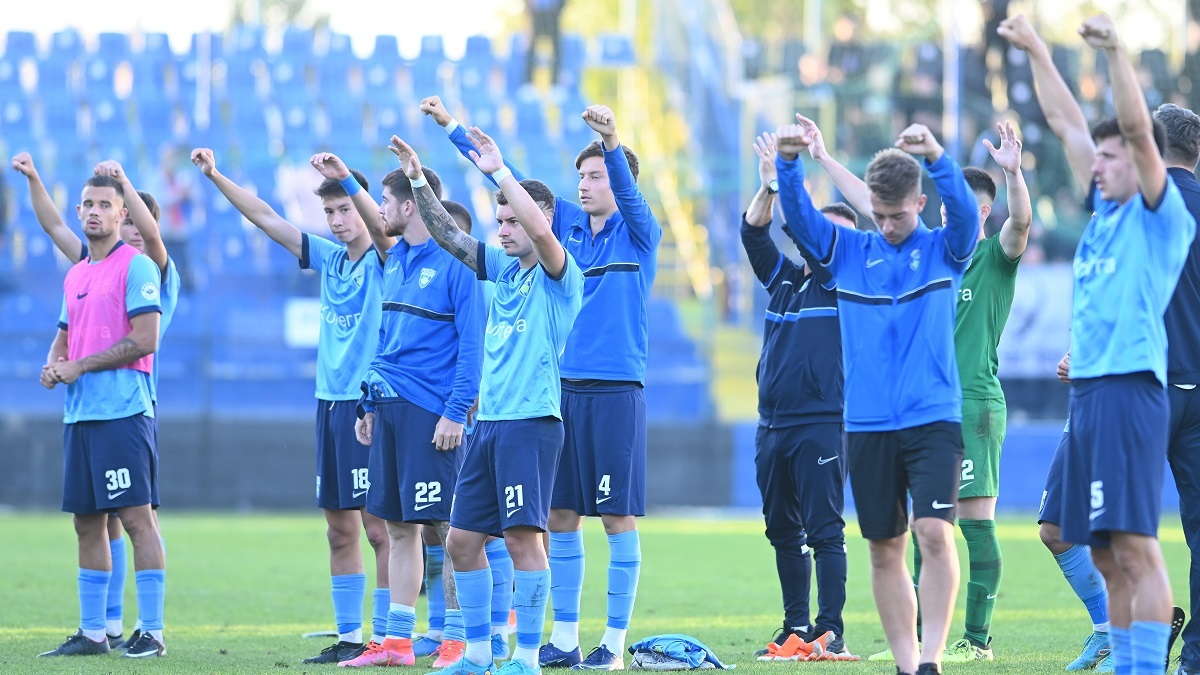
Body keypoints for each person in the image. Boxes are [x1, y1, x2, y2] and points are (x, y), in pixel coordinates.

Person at [419, 95, 661, 671]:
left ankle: (614, 643)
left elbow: (618, 195)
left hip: (615, 389)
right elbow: (521, 210)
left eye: (596, 175)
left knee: (617, 518)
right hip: (558, 390)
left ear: (620, 178)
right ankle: (565, 637)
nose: (585, 185)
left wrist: (610, 142)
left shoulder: (639, 231)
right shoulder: (564, 227)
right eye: (580, 176)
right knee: (558, 519)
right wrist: (455, 133)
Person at [1001, 13, 1198, 673]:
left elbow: (1137, 130)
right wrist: (1035, 49)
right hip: (1090, 391)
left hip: (1130, 391)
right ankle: (1125, 662)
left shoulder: (1159, 215)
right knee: (1106, 550)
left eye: (1113, 156)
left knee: (1136, 546)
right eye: (1101, 155)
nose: (1100, 162)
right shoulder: (1108, 211)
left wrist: (1115, 54)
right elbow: (1064, 124)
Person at [797, 116, 1033, 661]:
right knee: (924, 529)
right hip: (901, 408)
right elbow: (878, 204)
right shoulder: (912, 250)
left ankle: (975, 640)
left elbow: (1020, 223)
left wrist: (1014, 174)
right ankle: (928, 644)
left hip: (968, 404)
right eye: (949, 209)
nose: (954, 217)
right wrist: (825, 158)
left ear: (981, 217)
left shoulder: (989, 257)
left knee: (967, 525)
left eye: (965, 212)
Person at [775, 118, 980, 675]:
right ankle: (907, 665)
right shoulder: (848, 251)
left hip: (934, 416)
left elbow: (964, 213)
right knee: (884, 548)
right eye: (881, 216)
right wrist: (789, 163)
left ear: (919, 201)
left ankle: (933, 657)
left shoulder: (944, 249)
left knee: (934, 532)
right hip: (866, 424)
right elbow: (798, 218)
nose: (889, 227)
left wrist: (938, 157)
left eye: (900, 215)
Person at [389, 128, 583, 675]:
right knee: (461, 542)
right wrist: (416, 179)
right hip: (490, 426)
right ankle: (476, 654)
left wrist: (500, 171)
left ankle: (525, 658)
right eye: (499, 221)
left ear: (539, 222)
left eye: (512, 221)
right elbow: (450, 235)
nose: (502, 230)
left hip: (530, 424)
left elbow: (543, 231)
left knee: (524, 540)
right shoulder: (499, 269)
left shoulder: (560, 276)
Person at [191, 148, 391, 665]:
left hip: (371, 406)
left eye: (345, 209)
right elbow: (265, 217)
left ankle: (391, 637)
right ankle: (350, 637)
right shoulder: (328, 258)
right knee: (338, 526)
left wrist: (347, 181)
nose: (338, 220)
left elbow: (384, 232)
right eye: (329, 213)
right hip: (329, 405)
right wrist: (215, 176)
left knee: (379, 528)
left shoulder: (389, 258)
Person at [308, 150, 484, 670]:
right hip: (387, 408)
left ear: (409, 207)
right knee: (401, 528)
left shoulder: (457, 262)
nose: (374, 211)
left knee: (452, 529)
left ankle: (458, 639)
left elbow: (472, 347)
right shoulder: (399, 259)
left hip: (433, 414)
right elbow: (385, 341)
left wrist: (455, 411)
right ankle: (399, 644)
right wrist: (367, 401)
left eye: (383, 201)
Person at [13, 153, 181, 651]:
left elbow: (145, 339)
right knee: (89, 522)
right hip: (81, 414)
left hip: (125, 412)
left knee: (135, 519)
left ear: (122, 213)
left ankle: (150, 631)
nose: (92, 211)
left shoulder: (145, 266)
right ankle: (96, 631)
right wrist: (54, 363)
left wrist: (80, 366)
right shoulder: (79, 272)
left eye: (104, 204)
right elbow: (65, 334)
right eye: (86, 203)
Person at [739, 132, 858, 662]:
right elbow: (752, 232)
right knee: (781, 529)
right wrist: (768, 185)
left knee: (825, 529)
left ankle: (831, 630)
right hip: (773, 425)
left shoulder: (841, 283)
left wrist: (786, 177)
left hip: (821, 421)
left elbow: (810, 240)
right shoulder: (786, 282)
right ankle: (796, 627)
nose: (834, 244)